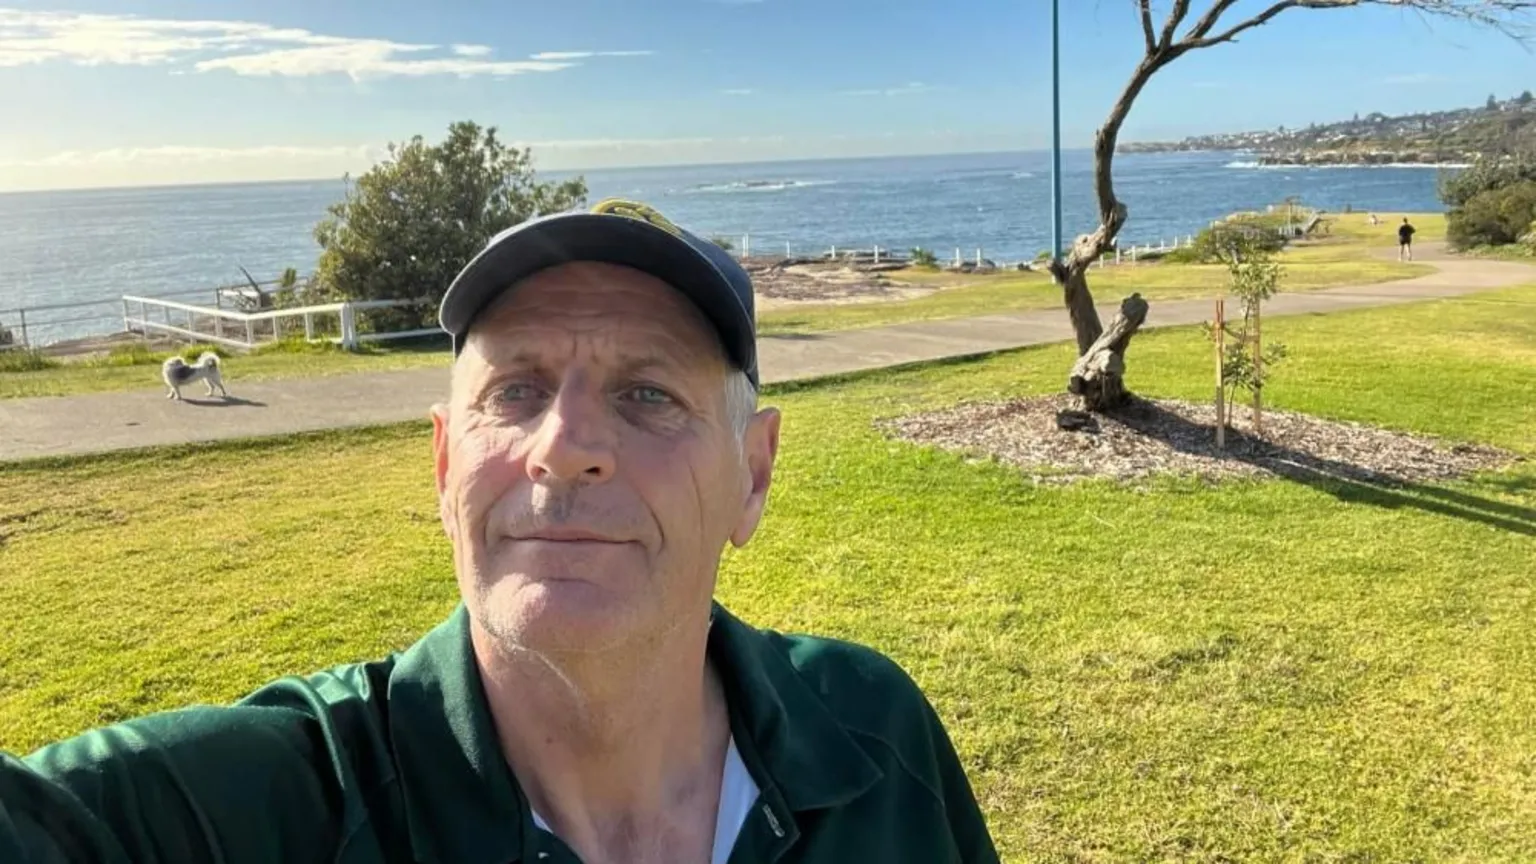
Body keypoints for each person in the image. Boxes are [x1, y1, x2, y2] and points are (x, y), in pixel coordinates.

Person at [0, 198, 999, 864]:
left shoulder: (870, 730)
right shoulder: (285, 801)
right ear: (444, 468)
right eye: (514, 391)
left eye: (649, 392)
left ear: (755, 475)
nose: (562, 448)